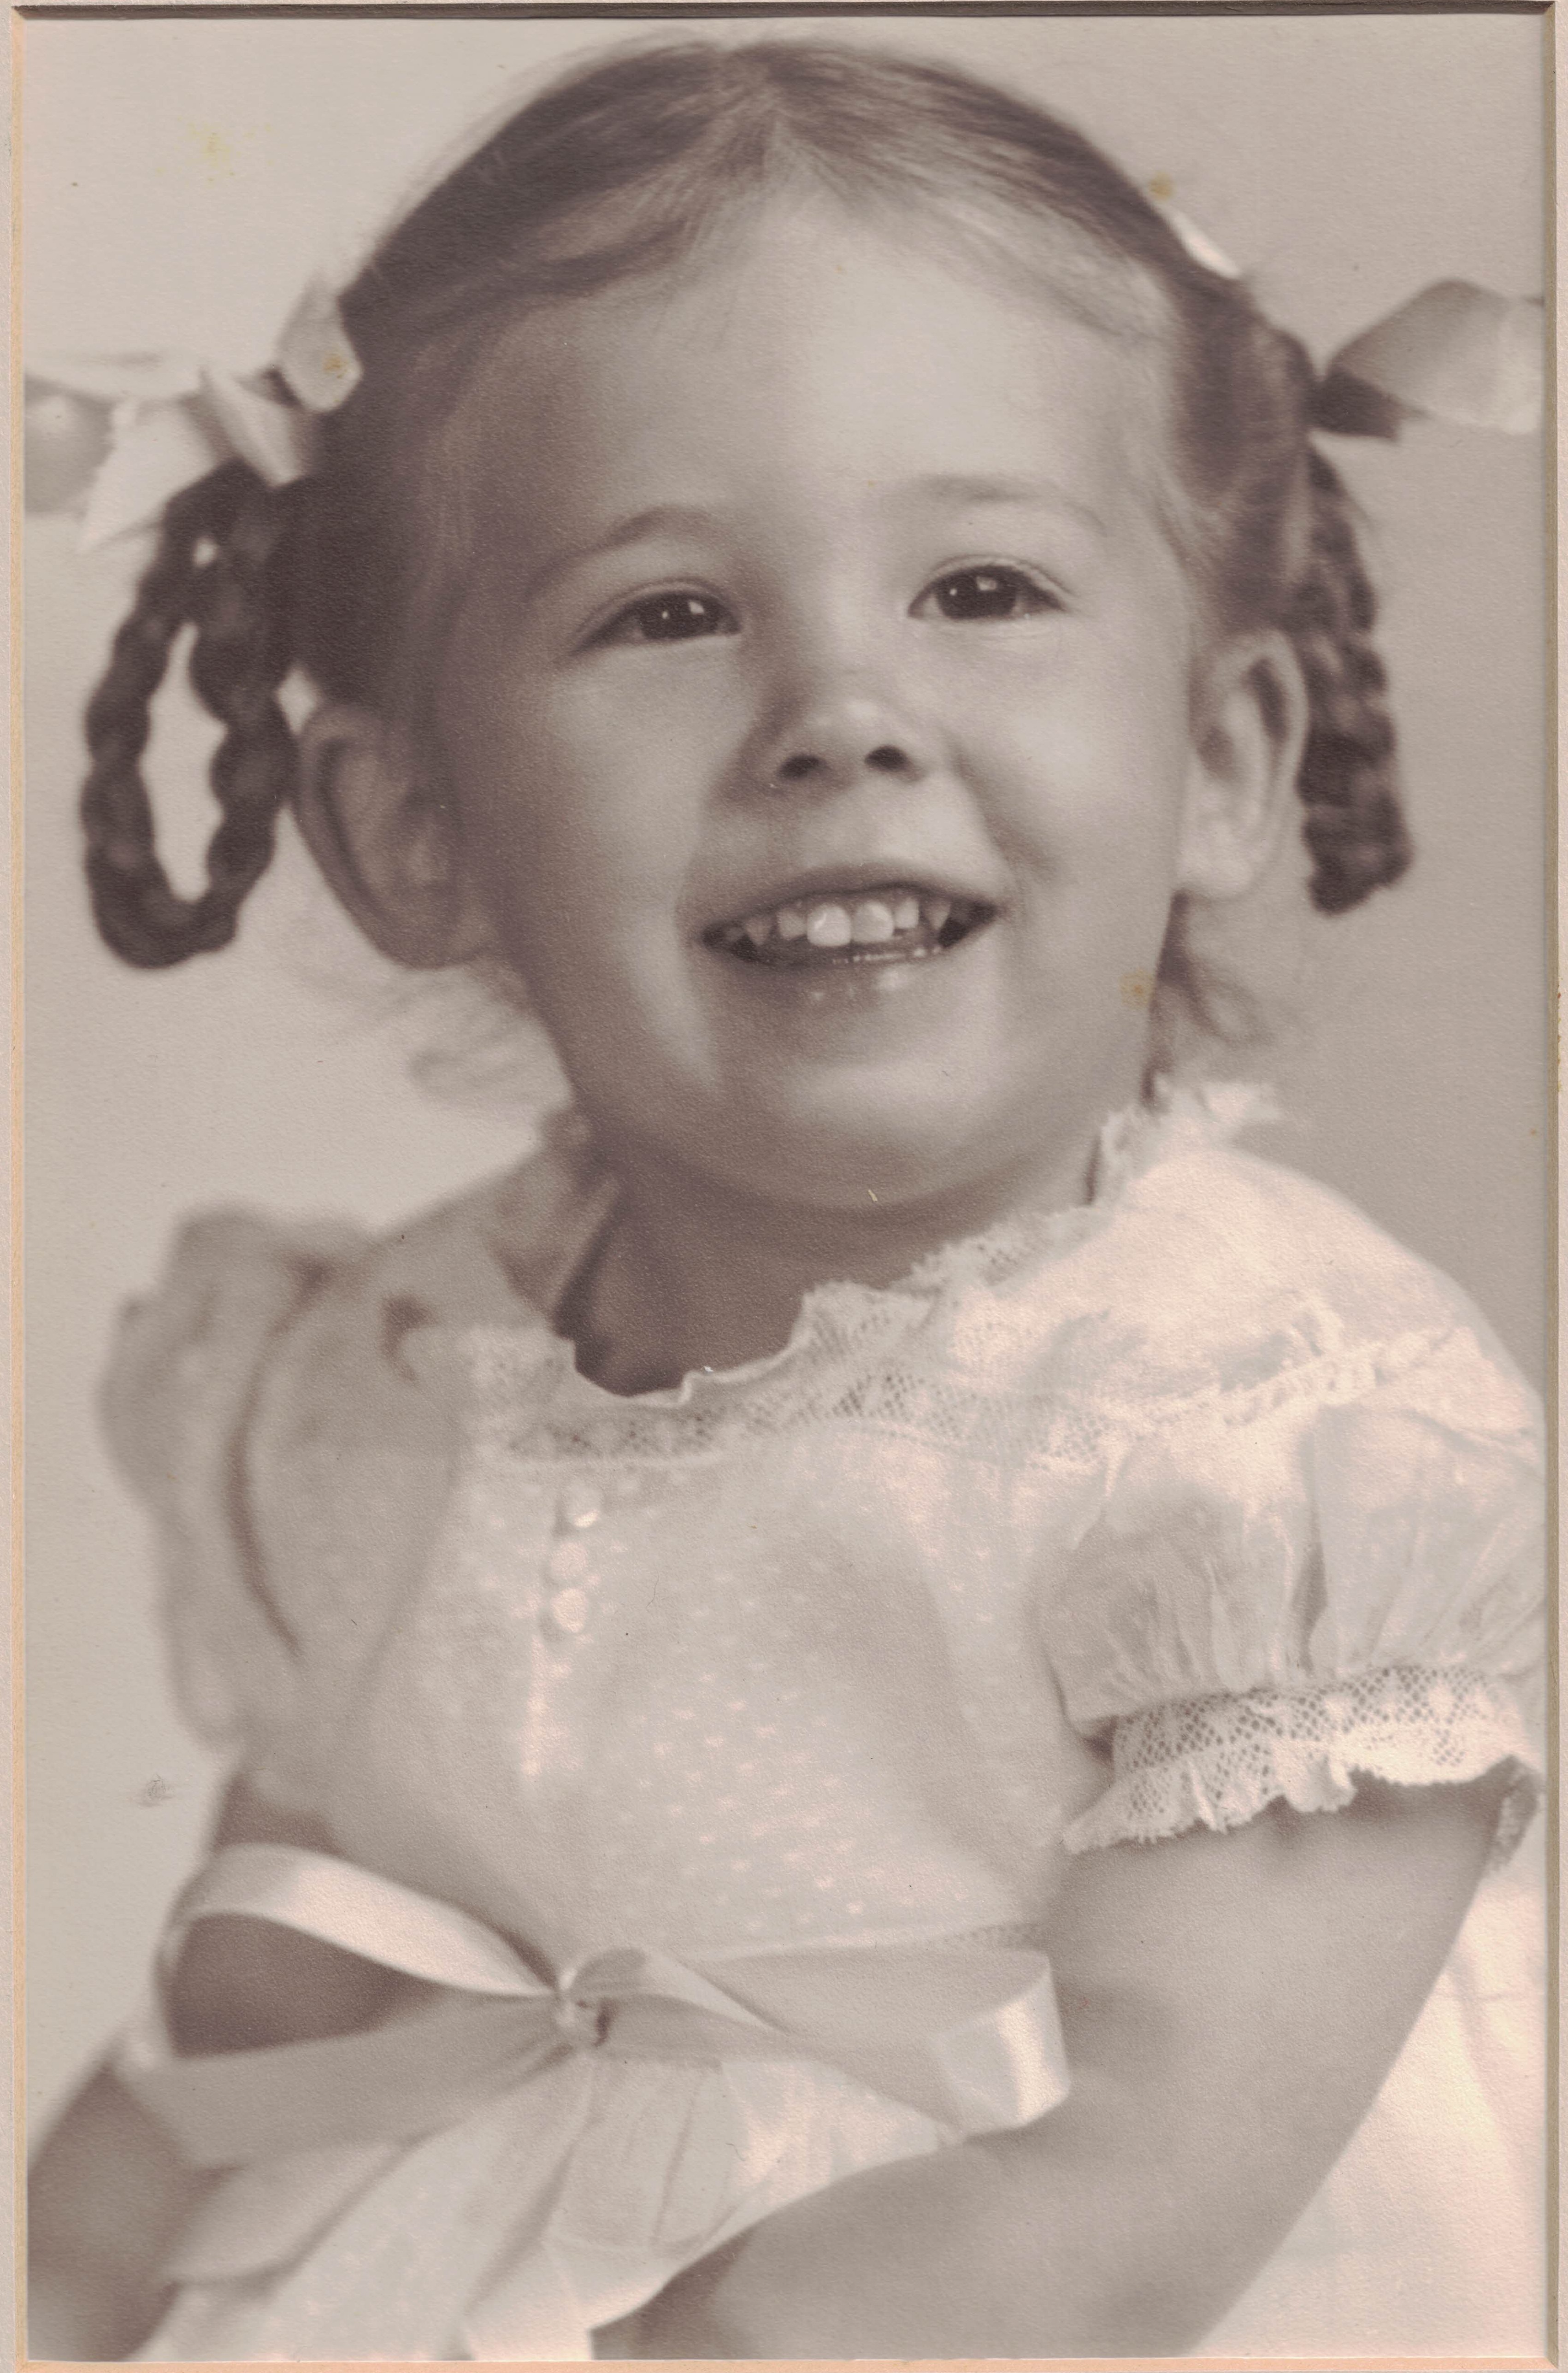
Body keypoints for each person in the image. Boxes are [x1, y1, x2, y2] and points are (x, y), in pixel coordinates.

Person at [26, 37, 1544, 2362]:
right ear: (414, 830)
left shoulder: (1262, 1429)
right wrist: (90, 2241)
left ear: (1221, 759)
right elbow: (299, 1992)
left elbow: (1127, 2204)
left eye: (979, 585)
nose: (840, 709)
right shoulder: (382, 1384)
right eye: (666, 613)